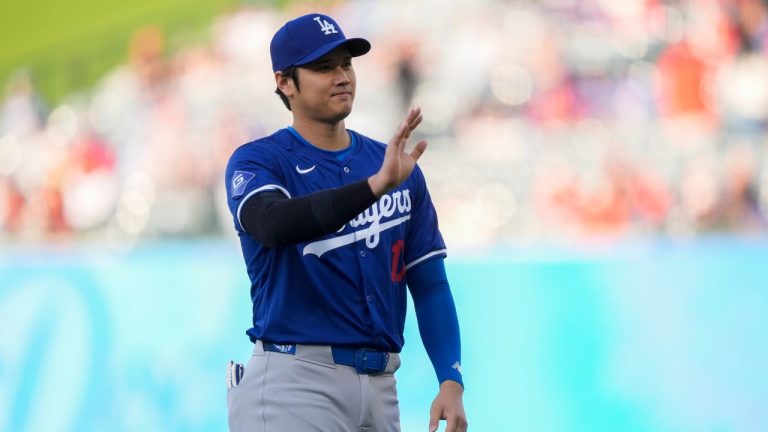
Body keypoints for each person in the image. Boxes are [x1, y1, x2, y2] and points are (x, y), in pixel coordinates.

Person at [224, 12, 467, 432]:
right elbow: (272, 225)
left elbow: (429, 283)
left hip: (381, 388)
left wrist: (451, 378)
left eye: (346, 63)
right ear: (284, 82)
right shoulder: (260, 160)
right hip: (294, 382)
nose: (341, 76)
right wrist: (373, 188)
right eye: (323, 67)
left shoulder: (388, 165)